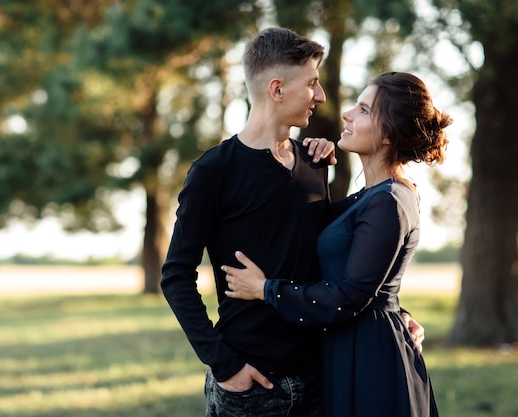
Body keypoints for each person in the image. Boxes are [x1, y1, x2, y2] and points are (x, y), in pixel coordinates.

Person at [223, 71, 451, 417]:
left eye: (362, 110)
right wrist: (311, 164)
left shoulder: (389, 200)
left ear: (388, 133)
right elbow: (322, 234)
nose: (346, 114)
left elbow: (349, 296)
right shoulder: (370, 197)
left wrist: (265, 289)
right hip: (349, 348)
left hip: (371, 361)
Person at [161, 27, 335, 417]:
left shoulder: (314, 163)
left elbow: (333, 258)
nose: (320, 97)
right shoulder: (213, 171)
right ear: (277, 89)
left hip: (319, 380)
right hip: (249, 386)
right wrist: (225, 365)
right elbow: (176, 275)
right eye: (312, 84)